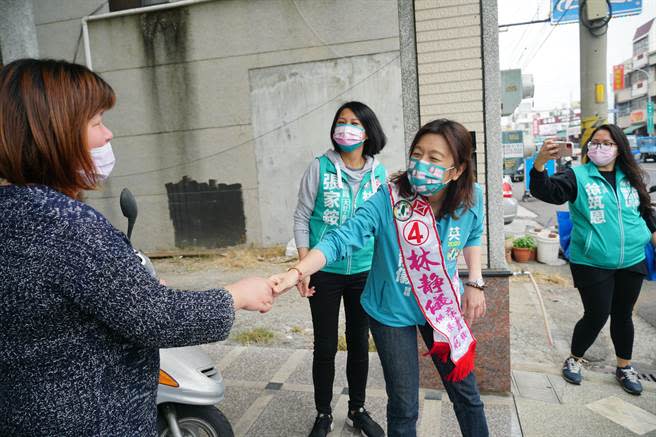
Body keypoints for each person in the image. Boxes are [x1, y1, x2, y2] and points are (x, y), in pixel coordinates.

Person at [0, 59, 275, 436]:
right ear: (54, 132)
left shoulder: (14, 211)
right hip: (90, 420)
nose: (108, 134)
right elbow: (156, 318)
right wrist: (237, 295)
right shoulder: (66, 224)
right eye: (96, 122)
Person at [276, 119, 489, 437]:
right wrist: (297, 271)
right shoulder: (388, 198)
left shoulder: (472, 197)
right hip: (391, 310)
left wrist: (474, 280)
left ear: (456, 170)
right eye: (417, 154)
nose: (421, 164)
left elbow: (472, 235)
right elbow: (341, 237)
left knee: (467, 395)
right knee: (404, 406)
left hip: (440, 306)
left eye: (434, 158)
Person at [530, 124, 656, 396]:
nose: (600, 148)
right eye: (595, 143)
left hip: (632, 259)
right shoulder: (577, 176)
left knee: (623, 315)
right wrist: (540, 165)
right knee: (597, 314)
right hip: (592, 260)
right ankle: (575, 358)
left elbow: (645, 212)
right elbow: (547, 192)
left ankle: (624, 367)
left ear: (619, 148)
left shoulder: (632, 177)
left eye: (607, 143)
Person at [292, 101, 387, 437]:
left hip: (364, 271)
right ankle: (323, 413)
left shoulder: (380, 174)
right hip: (326, 270)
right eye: (341, 121)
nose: (346, 127)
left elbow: (385, 225)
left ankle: (357, 410)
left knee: (359, 343)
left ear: (367, 131)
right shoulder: (319, 168)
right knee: (326, 346)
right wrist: (303, 267)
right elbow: (303, 216)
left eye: (354, 122)